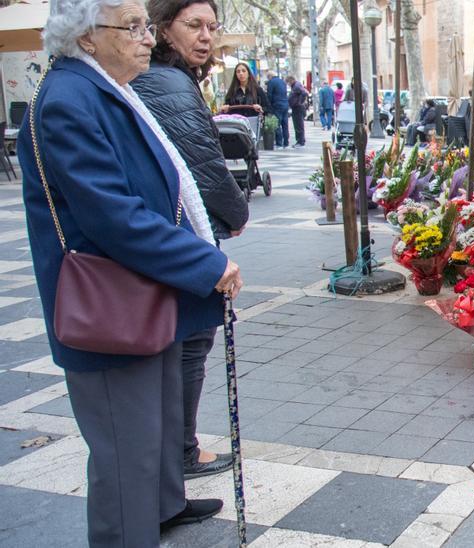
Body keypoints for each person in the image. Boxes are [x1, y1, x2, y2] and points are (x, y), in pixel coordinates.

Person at [20, 0, 243, 544]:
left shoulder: (104, 88)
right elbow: (114, 216)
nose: (148, 37)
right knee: (126, 449)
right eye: (134, 27)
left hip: (143, 290)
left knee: (158, 423)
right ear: (88, 37)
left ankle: (164, 503)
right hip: (109, 302)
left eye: (147, 25)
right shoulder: (69, 99)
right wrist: (206, 263)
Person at [132, 0, 249, 483]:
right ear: (163, 29)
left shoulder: (160, 78)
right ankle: (182, 451)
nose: (206, 36)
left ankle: (172, 453)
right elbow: (204, 167)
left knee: (181, 343)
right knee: (192, 341)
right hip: (186, 233)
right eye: (194, 25)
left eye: (212, 27)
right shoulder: (170, 83)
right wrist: (237, 213)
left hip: (172, 229)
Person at [264, 69, 288, 147]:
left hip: (277, 105)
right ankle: (286, 142)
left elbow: (269, 95)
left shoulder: (271, 82)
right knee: (285, 124)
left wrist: (268, 106)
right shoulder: (282, 81)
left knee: (277, 124)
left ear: (270, 76)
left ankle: (279, 143)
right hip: (285, 104)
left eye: (268, 77)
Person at [286, 75, 306, 147]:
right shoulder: (296, 85)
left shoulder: (296, 86)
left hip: (298, 107)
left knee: (298, 124)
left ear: (291, 80)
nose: (288, 84)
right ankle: (300, 140)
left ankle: (300, 141)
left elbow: (304, 93)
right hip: (296, 107)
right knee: (298, 124)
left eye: (288, 82)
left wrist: (299, 102)